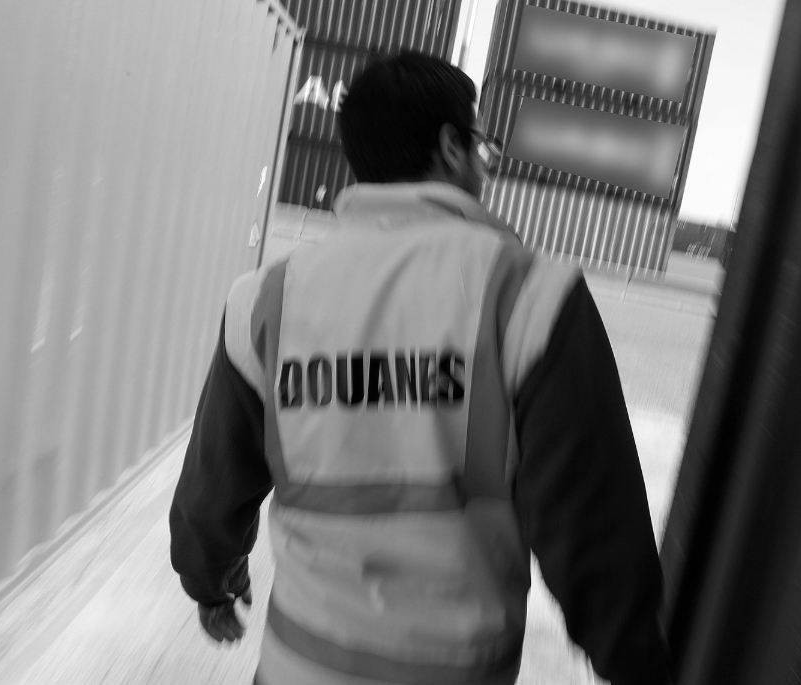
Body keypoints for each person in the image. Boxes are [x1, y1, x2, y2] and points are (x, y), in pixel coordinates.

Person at [169, 50, 668, 685]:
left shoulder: (265, 300)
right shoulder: (532, 297)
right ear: (451, 148)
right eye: (481, 146)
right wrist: (638, 664)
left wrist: (210, 582)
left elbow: (209, 494)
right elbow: (597, 537)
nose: (483, 165)